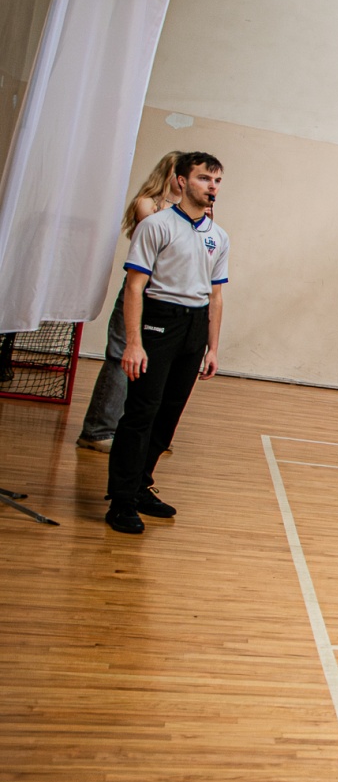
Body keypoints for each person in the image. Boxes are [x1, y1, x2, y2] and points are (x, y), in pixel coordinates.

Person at [105, 152, 228, 534]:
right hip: (160, 322)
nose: (212, 187)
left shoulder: (218, 236)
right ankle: (121, 501)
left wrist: (212, 347)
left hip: (194, 328)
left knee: (169, 415)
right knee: (141, 412)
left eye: (217, 180)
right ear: (181, 181)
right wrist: (134, 343)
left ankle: (141, 486)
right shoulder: (156, 226)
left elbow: (216, 296)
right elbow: (134, 287)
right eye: (204, 178)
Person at [79, 153, 184, 452]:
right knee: (120, 357)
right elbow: (165, 242)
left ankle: (138, 433)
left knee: (156, 364)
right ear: (170, 173)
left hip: (167, 294)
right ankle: (97, 431)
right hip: (140, 289)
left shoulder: (186, 214)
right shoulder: (147, 204)